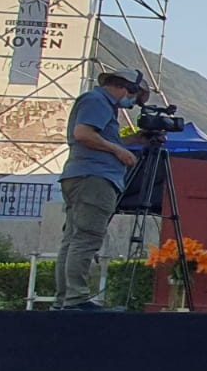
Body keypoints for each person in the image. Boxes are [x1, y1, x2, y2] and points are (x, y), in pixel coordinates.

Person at [55, 69, 148, 310]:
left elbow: (97, 138)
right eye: (133, 98)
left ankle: (65, 300)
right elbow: (83, 134)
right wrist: (119, 151)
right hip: (94, 179)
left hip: (82, 176)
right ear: (127, 88)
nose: (132, 104)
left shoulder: (100, 104)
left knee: (73, 239)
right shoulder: (97, 101)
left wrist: (133, 141)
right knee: (86, 238)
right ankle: (76, 299)